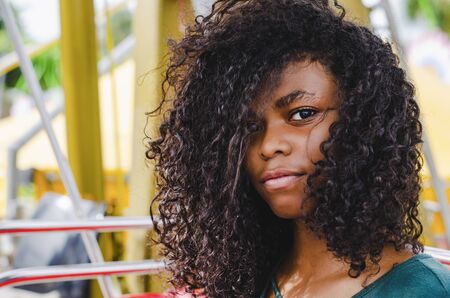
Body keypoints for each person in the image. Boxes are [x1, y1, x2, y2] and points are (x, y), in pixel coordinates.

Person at [145, 0, 450, 297]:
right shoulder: (249, 281)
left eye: (303, 114)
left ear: (364, 121)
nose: (269, 145)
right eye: (249, 128)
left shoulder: (425, 289)